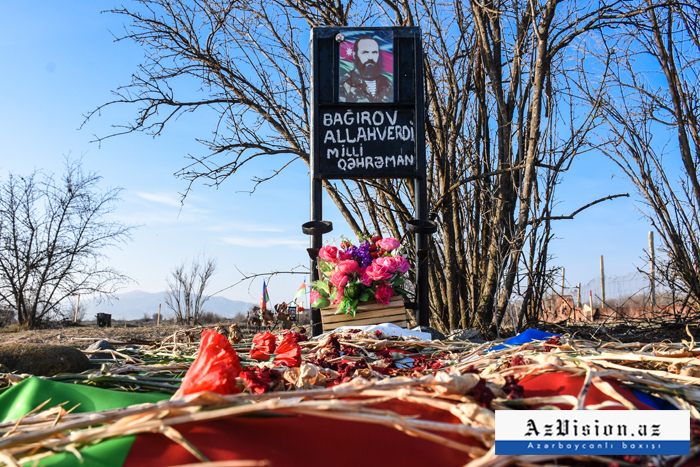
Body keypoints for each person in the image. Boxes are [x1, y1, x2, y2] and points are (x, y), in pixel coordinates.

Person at [339, 36, 393, 103]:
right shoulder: (343, 84)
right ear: (355, 55)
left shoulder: (387, 83)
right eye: (365, 52)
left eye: (374, 52)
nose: (370, 57)